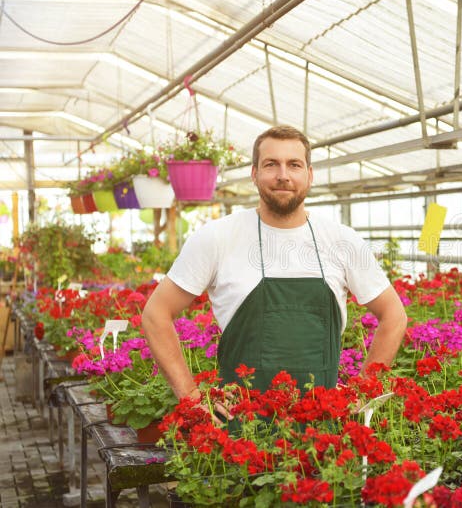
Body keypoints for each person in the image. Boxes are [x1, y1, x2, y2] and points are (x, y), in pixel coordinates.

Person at [142, 125, 407, 405]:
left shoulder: (342, 240)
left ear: (309, 175)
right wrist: (192, 400)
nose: (283, 175)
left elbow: (394, 314)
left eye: (294, 165)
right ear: (254, 174)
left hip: (324, 428)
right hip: (240, 429)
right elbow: (156, 313)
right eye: (271, 165)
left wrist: (363, 393)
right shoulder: (217, 237)